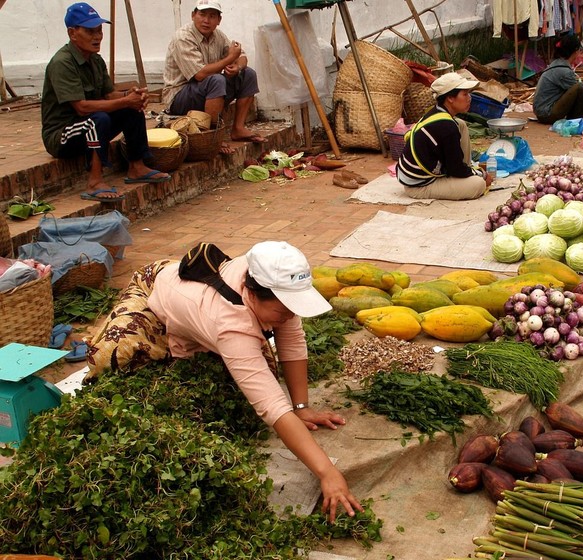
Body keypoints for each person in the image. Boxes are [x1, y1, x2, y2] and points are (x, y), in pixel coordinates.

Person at [142, 241, 362, 521]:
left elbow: (292, 339)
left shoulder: (269, 278)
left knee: (261, 359)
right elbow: (271, 405)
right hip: (154, 284)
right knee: (117, 352)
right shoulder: (231, 324)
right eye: (284, 312)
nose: (291, 317)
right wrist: (327, 472)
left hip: (193, 294)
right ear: (253, 295)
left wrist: (301, 406)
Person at [41, 2, 171, 202]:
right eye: (90, 31)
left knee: (131, 109)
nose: (97, 36)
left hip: (88, 124)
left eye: (99, 31)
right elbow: (82, 107)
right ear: (72, 33)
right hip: (61, 135)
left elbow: (110, 95)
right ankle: (94, 181)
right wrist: (125, 100)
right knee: (98, 119)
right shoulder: (62, 63)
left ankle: (137, 166)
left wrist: (133, 95)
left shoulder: (95, 60)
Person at [163, 0, 265, 155]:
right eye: (202, 14)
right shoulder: (182, 37)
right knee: (217, 80)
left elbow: (241, 56)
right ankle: (213, 136)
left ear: (219, 20)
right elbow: (200, 74)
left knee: (247, 74)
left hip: (207, 90)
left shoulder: (218, 35)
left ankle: (238, 128)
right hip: (179, 97)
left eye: (212, 16)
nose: (206, 20)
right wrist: (229, 58)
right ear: (193, 15)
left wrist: (237, 66)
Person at [396, 72, 492, 200]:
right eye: (464, 94)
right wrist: (482, 175)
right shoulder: (447, 127)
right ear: (450, 98)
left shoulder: (437, 112)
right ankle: (468, 175)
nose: (469, 98)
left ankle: (467, 170)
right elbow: (455, 169)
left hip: (413, 174)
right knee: (478, 184)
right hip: (419, 185)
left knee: (461, 124)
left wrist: (469, 171)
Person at [533, 35, 583, 125]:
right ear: (575, 51)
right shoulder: (564, 71)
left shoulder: (557, 65)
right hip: (547, 114)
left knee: (578, 88)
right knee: (578, 89)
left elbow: (571, 86)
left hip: (542, 112)